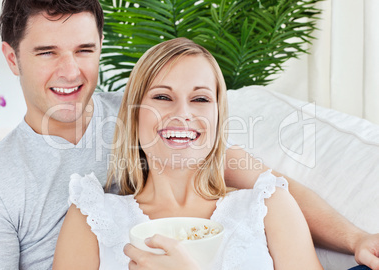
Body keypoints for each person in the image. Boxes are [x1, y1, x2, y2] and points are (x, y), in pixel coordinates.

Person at [0, 0, 377, 269]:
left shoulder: (155, 120)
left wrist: (355, 237)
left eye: (84, 50)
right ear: (12, 58)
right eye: (47, 52)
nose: (69, 71)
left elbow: (271, 184)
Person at [53, 37, 324, 269]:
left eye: (200, 99)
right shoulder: (91, 217)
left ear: (218, 117)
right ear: (133, 116)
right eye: (162, 97)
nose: (182, 114)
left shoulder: (269, 207)